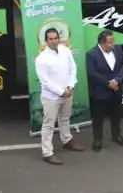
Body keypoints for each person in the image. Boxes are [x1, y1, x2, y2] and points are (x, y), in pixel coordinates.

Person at [35, 27, 86, 165]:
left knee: (65, 119)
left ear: (59, 38)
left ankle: (67, 141)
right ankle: (47, 153)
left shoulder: (65, 50)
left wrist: (69, 86)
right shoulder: (41, 59)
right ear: (45, 41)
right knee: (49, 124)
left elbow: (73, 68)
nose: (53, 41)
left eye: (55, 38)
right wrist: (61, 91)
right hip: (51, 97)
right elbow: (45, 81)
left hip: (68, 92)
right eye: (50, 39)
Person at [85, 30, 123, 151]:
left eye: (113, 41)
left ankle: (116, 135)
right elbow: (92, 73)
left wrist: (117, 80)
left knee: (116, 115)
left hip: (116, 90)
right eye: (110, 42)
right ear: (102, 43)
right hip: (101, 92)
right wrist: (108, 83)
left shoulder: (118, 49)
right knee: (99, 118)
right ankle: (97, 139)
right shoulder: (91, 54)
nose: (113, 44)